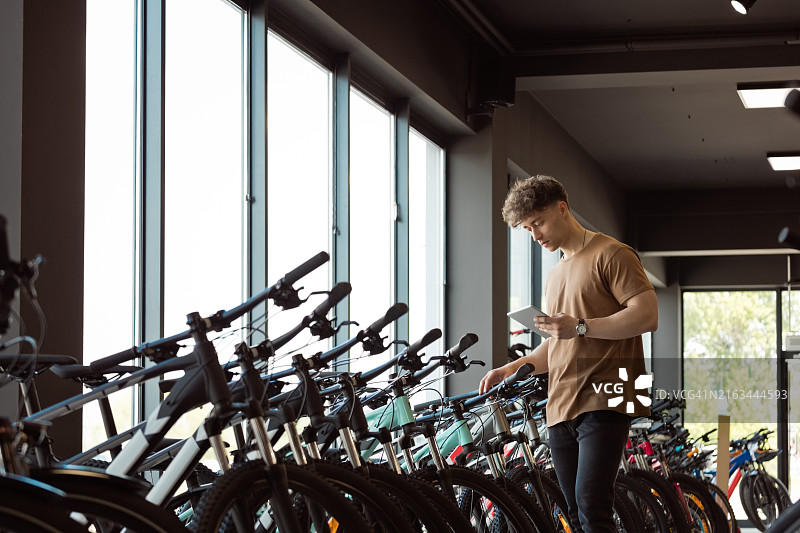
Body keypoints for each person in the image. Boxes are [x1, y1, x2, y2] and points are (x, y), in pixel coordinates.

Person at [478, 175, 658, 533]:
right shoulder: (554, 275)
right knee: (575, 514)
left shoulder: (613, 253)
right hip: (561, 404)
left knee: (593, 506)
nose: (536, 235)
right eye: (528, 229)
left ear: (562, 209)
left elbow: (647, 315)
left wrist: (580, 326)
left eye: (538, 223)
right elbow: (559, 342)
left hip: (608, 396)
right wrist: (510, 368)